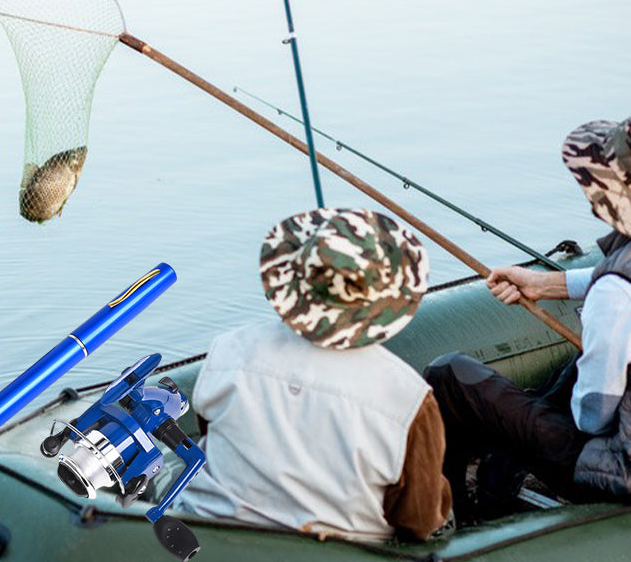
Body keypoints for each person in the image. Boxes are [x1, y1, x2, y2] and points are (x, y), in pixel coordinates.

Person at [424, 110, 631, 518]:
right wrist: (543, 285)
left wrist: (535, 419)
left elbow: (591, 417)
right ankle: (501, 469)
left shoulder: (617, 295)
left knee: (449, 376)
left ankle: (456, 511)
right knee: (566, 377)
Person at [175, 208, 452, 541]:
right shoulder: (407, 398)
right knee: (441, 519)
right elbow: (418, 521)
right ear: (386, 300)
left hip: (214, 539)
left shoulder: (228, 350)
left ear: (294, 283)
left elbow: (209, 434)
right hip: (338, 550)